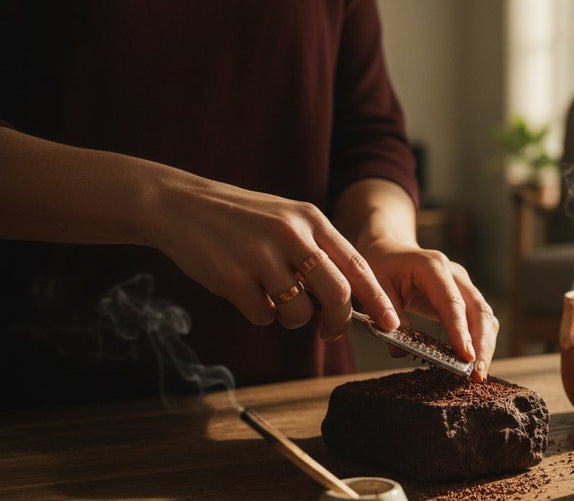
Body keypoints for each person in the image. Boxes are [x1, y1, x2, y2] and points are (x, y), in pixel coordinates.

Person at [0, 2, 498, 407]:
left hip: (300, 393)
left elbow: (369, 136)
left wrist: (380, 235)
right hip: (48, 404)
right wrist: (165, 204)